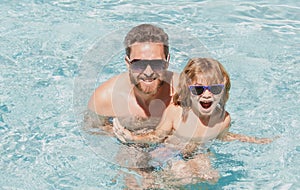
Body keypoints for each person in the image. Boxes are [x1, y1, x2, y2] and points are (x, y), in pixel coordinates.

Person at [114, 57, 274, 185]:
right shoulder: (176, 113)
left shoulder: (223, 119)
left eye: (215, 89)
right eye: (198, 89)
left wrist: (253, 140)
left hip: (198, 152)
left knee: (211, 176)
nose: (206, 95)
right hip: (169, 151)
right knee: (182, 175)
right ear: (187, 90)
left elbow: (224, 136)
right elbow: (157, 136)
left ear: (223, 90)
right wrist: (133, 138)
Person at [86, 24, 179, 136]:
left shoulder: (184, 92)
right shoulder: (105, 99)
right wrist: (120, 134)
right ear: (128, 63)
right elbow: (92, 129)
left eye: (157, 63)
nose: (148, 72)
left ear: (167, 62)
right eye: (139, 64)